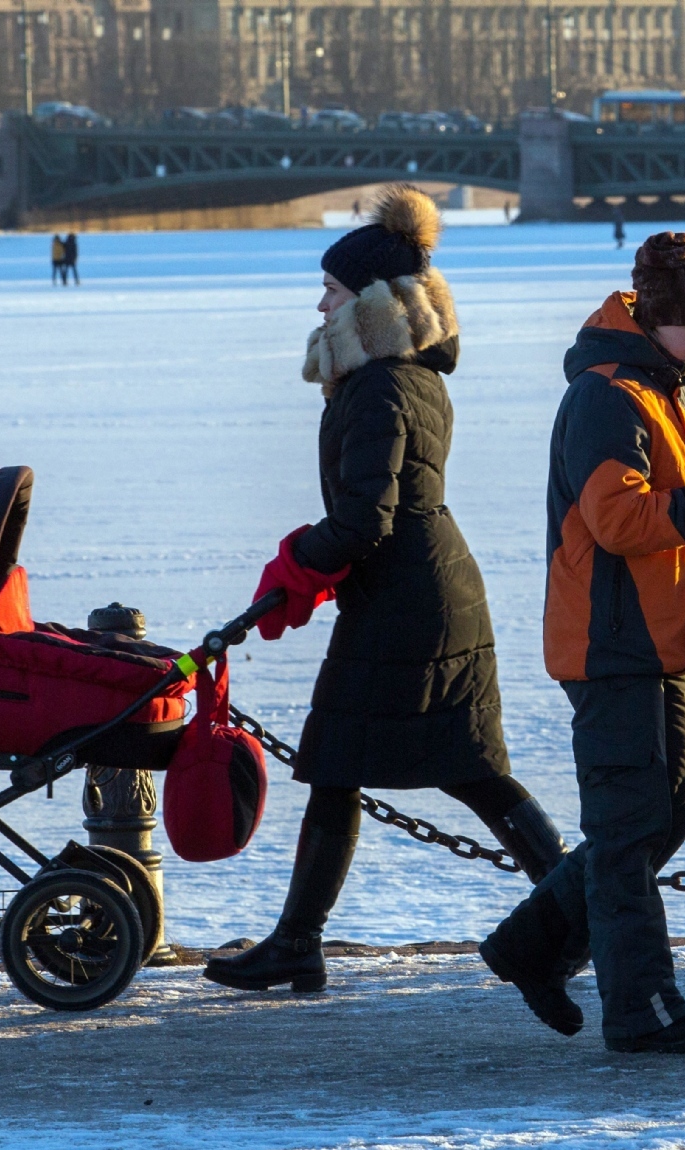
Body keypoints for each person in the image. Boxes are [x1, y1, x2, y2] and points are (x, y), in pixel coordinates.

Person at [204, 185, 570, 995]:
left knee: (433, 768)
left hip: (410, 605)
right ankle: (301, 939)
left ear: (368, 299)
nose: (319, 300)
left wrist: (296, 562)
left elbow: (365, 521)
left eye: (331, 289)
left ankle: (583, 908)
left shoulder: (377, 387)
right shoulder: (406, 375)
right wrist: (315, 563)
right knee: (421, 767)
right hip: (423, 591)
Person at [479, 231, 685, 1055]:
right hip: (608, 643)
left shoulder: (667, 391)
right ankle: (641, 1010)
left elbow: (681, 526)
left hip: (659, 641)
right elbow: (622, 521)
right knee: (627, 832)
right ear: (660, 318)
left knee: (672, 808)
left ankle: (529, 945)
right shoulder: (606, 396)